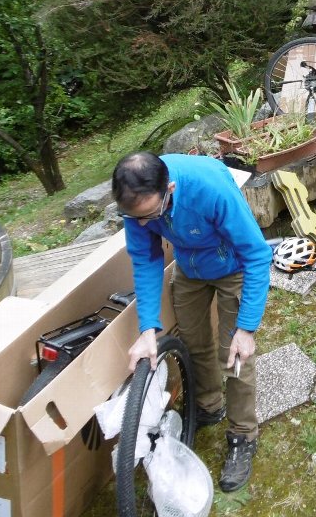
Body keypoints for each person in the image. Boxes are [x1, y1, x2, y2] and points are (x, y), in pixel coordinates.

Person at [112, 151, 271, 493]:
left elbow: (257, 254)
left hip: (234, 265)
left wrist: (246, 328)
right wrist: (148, 328)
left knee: (235, 355)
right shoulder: (136, 203)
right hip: (189, 267)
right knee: (194, 341)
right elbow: (145, 258)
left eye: (150, 215)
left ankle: (243, 434)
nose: (142, 224)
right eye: (133, 217)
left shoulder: (210, 189)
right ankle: (208, 405)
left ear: (169, 188)